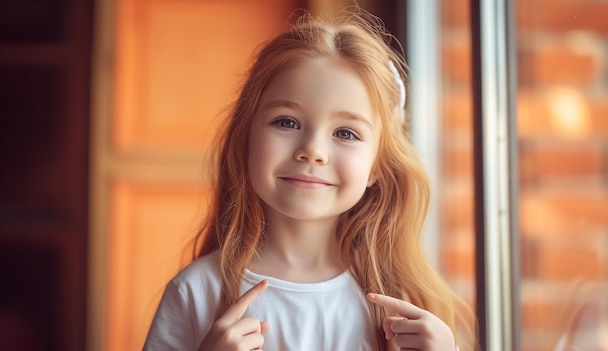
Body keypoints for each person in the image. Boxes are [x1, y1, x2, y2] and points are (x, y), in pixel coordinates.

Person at [143, 7, 476, 351]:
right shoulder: (196, 292)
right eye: (287, 122)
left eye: (346, 132)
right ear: (246, 141)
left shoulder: (405, 306)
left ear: (378, 165)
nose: (313, 151)